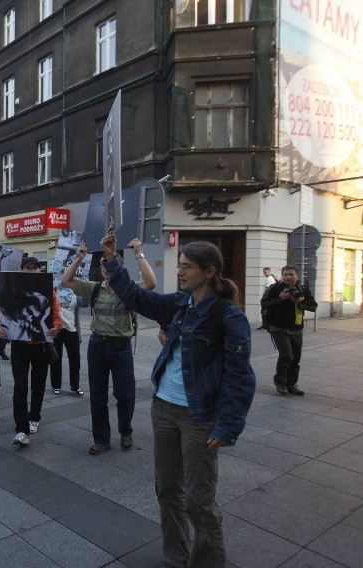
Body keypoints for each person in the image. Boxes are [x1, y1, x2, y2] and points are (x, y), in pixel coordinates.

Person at [100, 229, 255, 568]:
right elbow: (135, 298)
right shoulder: (178, 304)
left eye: (187, 267)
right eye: (180, 265)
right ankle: (175, 558)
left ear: (209, 271)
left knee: (199, 501)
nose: (180, 271)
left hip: (200, 417)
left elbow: (240, 375)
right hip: (164, 409)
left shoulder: (227, 314)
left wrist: (229, 424)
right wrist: (112, 259)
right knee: (167, 490)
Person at [62, 239, 157, 454]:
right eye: (104, 268)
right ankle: (102, 439)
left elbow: (151, 283)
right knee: (97, 395)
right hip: (97, 346)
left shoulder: (129, 290)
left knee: (125, 394)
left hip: (121, 347)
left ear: (118, 270)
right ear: (103, 272)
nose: (107, 271)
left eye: (110, 267)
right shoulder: (94, 289)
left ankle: (125, 431)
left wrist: (139, 254)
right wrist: (79, 258)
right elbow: (66, 280)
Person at [4, 257, 62, 447]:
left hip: (41, 345)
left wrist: (56, 328)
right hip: (20, 345)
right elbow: (6, 316)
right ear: (21, 270)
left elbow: (56, 317)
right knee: (20, 386)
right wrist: (2, 330)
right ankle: (21, 429)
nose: (32, 271)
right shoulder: (13, 291)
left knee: (38, 385)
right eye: (29, 268)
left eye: (36, 268)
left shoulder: (49, 291)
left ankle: (34, 416)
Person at [261, 265, 317, 396]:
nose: (288, 277)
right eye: (285, 275)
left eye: (291, 274)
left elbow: (313, 306)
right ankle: (279, 381)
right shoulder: (275, 288)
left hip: (297, 328)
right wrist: (280, 298)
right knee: (287, 355)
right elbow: (264, 303)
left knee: (296, 358)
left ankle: (291, 384)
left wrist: (299, 302)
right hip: (278, 327)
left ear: (297, 276)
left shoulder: (302, 289)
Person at [48, 295, 83, 397]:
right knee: (56, 358)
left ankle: (75, 385)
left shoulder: (75, 292)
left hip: (72, 328)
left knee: (75, 358)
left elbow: (86, 303)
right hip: (57, 329)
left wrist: (83, 287)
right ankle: (56, 385)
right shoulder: (54, 290)